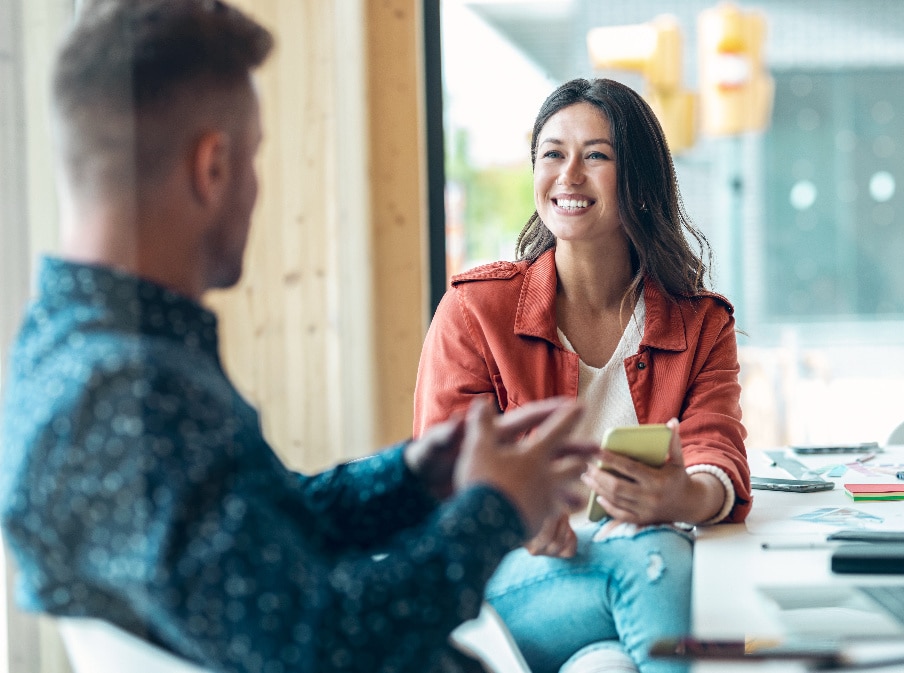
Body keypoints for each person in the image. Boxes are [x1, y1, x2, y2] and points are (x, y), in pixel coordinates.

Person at [0, 2, 597, 672]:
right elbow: (325, 639)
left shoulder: (79, 356)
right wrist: (496, 509)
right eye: (253, 157)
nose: (256, 188)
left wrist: (409, 476)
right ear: (212, 167)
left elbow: (255, 544)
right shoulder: (128, 396)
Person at [414, 78, 752, 673]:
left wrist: (683, 494)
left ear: (640, 179)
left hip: (632, 595)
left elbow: (714, 446)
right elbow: (442, 485)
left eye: (596, 155)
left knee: (607, 665)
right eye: (552, 153)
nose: (568, 174)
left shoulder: (699, 322)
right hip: (505, 592)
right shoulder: (475, 312)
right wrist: (516, 521)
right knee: (655, 555)